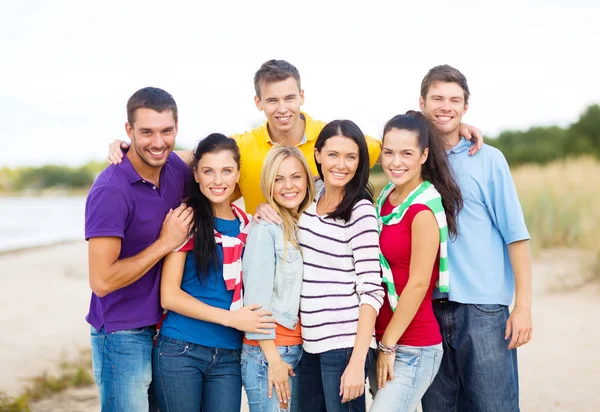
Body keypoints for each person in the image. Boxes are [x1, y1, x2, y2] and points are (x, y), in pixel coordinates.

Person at [106, 60, 484, 214]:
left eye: (289, 97)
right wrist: (130, 151)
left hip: (326, 271)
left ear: (302, 96)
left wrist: (448, 129)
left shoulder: (336, 139)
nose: (282, 107)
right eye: (272, 100)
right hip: (269, 270)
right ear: (259, 102)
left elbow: (401, 143)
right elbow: (190, 157)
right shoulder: (243, 146)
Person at [418, 65, 533, 412]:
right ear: (421, 102)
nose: (446, 106)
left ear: (466, 107)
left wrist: (523, 306)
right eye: (437, 98)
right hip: (428, 309)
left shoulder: (488, 158)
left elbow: (516, 236)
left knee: (494, 406)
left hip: (483, 310)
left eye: (455, 100)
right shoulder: (413, 160)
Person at [85, 87, 194, 411]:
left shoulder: (176, 168)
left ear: (177, 128)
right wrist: (164, 243)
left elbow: (221, 157)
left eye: (166, 131)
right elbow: (101, 281)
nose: (158, 142)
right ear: (128, 131)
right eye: (146, 132)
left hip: (169, 328)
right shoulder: (110, 190)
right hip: (122, 333)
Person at [152, 133, 276, 412]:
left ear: (238, 175)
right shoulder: (186, 220)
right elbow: (169, 296)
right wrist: (232, 319)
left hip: (229, 356)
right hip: (181, 349)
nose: (218, 181)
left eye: (226, 171)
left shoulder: (249, 225)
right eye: (208, 171)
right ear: (195, 174)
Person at [369, 111, 463, 411]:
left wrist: (388, 346)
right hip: (384, 340)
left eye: (407, 153)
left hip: (412, 346)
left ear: (424, 155)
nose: (396, 162)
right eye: (389, 153)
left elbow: (419, 283)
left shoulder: (422, 209)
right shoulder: (386, 197)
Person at [296, 120, 385, 412]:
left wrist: (358, 362)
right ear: (318, 154)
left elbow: (372, 290)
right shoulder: (310, 198)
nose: (341, 165)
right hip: (310, 343)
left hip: (345, 345)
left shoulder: (360, 211)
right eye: (333, 154)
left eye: (351, 157)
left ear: (360, 162)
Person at [241, 145, 315, 412]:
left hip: (298, 349)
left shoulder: (303, 224)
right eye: (278, 179)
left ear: (307, 179)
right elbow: (256, 303)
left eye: (296, 176)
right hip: (270, 353)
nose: (288, 186)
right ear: (268, 184)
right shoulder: (265, 230)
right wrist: (272, 359)